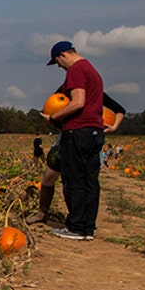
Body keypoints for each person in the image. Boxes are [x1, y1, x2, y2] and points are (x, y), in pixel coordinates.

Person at [39, 40, 106, 241]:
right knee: (89, 180)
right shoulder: (91, 69)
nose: (59, 66)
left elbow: (78, 102)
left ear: (63, 55)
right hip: (94, 130)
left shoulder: (76, 70)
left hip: (78, 131)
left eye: (58, 62)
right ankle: (87, 227)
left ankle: (76, 227)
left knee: (74, 178)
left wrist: (54, 117)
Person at [27, 91, 125, 224]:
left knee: (78, 180)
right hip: (67, 135)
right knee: (49, 176)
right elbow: (51, 108)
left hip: (86, 137)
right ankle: (42, 212)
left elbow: (119, 110)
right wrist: (54, 118)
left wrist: (113, 127)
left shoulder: (94, 94)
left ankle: (79, 219)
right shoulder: (66, 91)